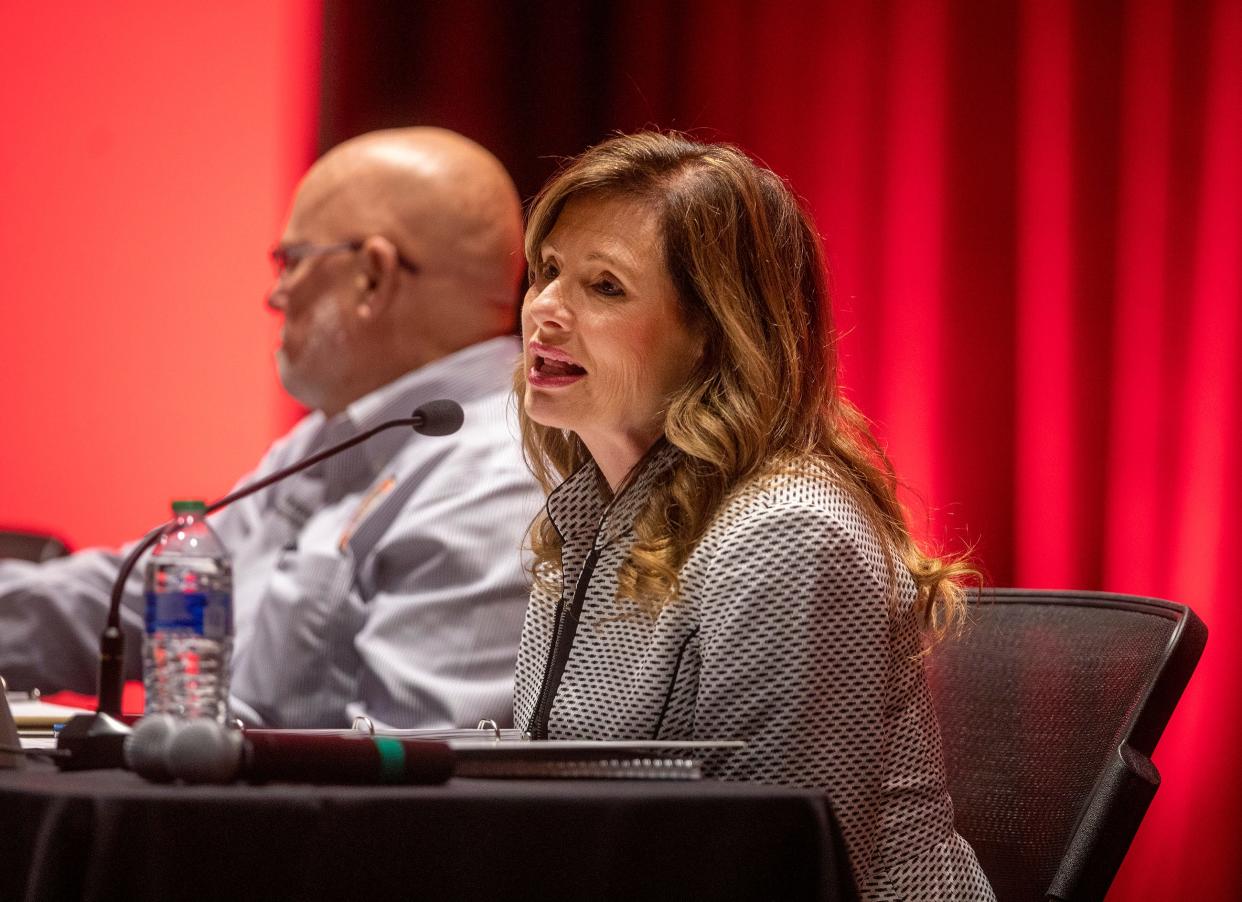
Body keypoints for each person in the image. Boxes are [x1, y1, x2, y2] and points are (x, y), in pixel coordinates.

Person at [511, 131, 996, 900]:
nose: (545, 311)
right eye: (549, 272)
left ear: (715, 333)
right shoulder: (588, 516)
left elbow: (774, 869)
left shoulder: (784, 533)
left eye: (604, 287)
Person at [0, 127, 543, 730]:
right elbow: (144, 594)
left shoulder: (496, 479)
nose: (274, 295)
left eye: (291, 262)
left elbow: (409, 782)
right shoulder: (333, 438)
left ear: (372, 277)